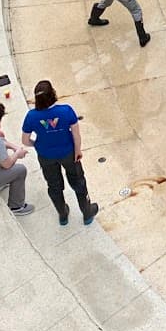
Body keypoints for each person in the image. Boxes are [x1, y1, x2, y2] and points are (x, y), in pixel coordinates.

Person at [22, 80, 98, 228]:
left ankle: (62, 214)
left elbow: (25, 140)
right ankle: (87, 212)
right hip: (68, 153)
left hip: (46, 156)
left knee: (54, 185)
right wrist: (78, 150)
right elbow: (76, 134)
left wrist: (37, 144)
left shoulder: (31, 116)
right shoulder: (66, 111)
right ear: (53, 94)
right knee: (78, 182)